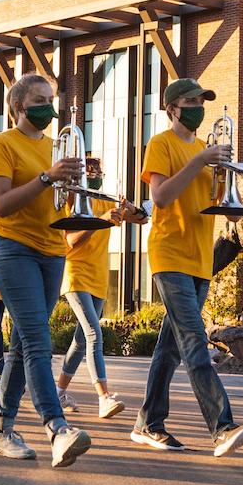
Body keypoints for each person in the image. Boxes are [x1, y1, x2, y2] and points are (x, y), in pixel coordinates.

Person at [130, 78, 243, 458]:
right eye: (189, 101)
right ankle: (221, 426)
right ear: (171, 108)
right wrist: (199, 161)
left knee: (169, 349)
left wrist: (227, 172)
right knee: (195, 342)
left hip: (201, 259)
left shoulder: (205, 148)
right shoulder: (162, 144)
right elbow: (162, 196)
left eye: (201, 101)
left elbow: (216, 200)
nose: (197, 107)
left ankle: (148, 424)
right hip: (170, 256)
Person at [0, 74, 92, 468]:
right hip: (11, 247)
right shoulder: (1, 144)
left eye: (51, 99)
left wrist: (78, 185)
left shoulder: (55, 147)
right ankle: (56, 428)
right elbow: (2, 205)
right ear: (18, 108)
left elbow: (60, 204)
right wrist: (47, 177)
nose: (49, 106)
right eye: (40, 100)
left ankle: (1, 431)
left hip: (51, 249)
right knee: (37, 338)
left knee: (21, 345)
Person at [58, 161, 138, 420]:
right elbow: (70, 242)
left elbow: (142, 218)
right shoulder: (71, 202)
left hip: (99, 279)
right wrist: (100, 221)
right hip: (76, 275)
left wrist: (129, 209)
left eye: (98, 173)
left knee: (81, 341)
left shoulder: (105, 201)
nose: (95, 177)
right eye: (89, 174)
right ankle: (104, 397)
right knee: (94, 334)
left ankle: (58, 391)